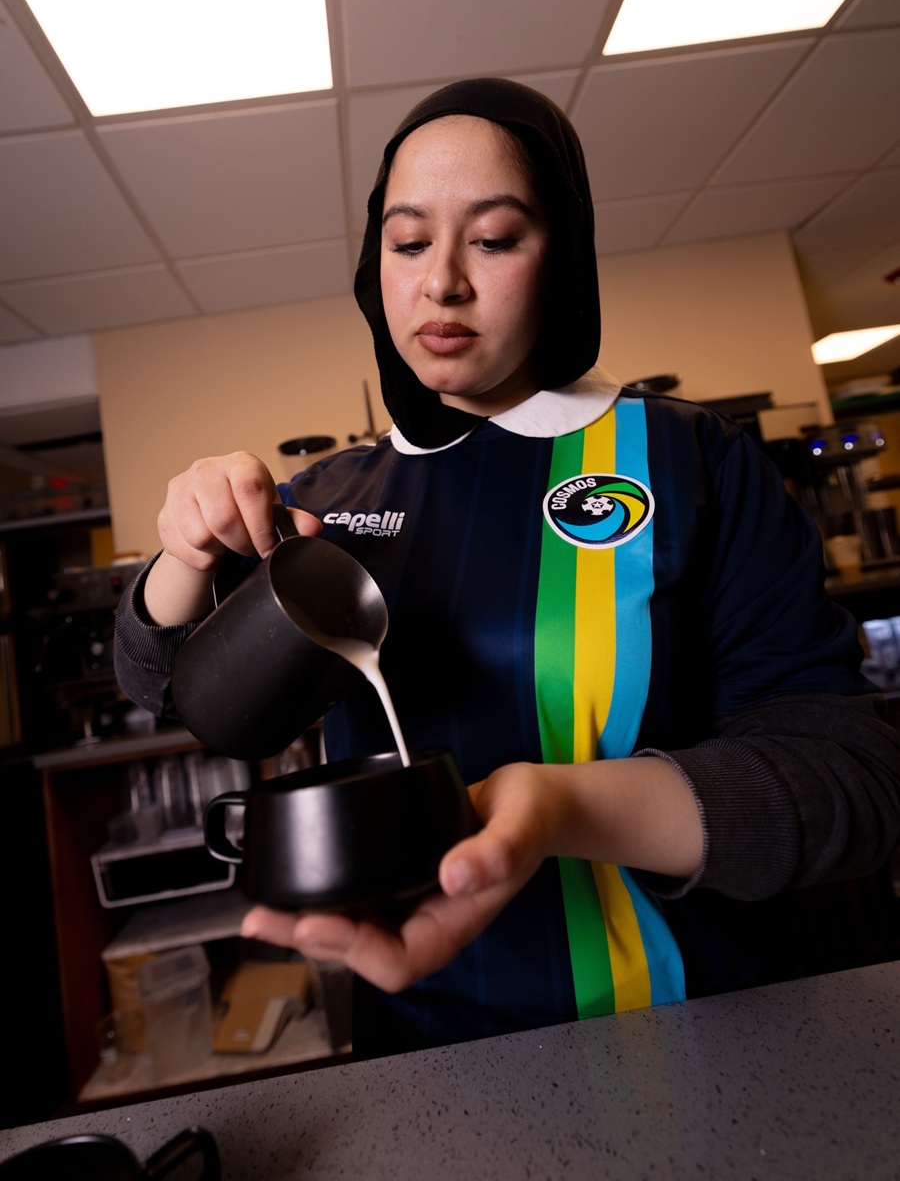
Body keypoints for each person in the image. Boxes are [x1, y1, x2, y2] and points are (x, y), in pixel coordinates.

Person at [115, 78, 900, 1057]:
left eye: (491, 239)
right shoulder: (329, 497)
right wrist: (181, 561)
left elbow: (852, 783)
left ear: (561, 256)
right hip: (431, 1048)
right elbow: (167, 692)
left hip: (707, 1024)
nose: (442, 281)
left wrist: (562, 806)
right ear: (375, 269)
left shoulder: (694, 460)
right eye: (408, 243)